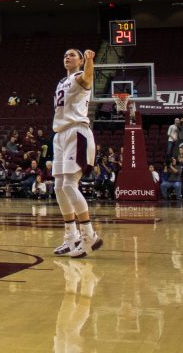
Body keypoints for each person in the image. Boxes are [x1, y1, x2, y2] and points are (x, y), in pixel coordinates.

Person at [50, 48, 103, 258]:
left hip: (76, 132)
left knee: (70, 185)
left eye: (72, 55)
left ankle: (89, 235)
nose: (67, 57)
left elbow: (89, 77)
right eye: (64, 55)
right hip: (60, 133)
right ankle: (71, 236)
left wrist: (90, 61)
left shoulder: (81, 76)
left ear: (80, 60)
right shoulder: (62, 81)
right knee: (59, 187)